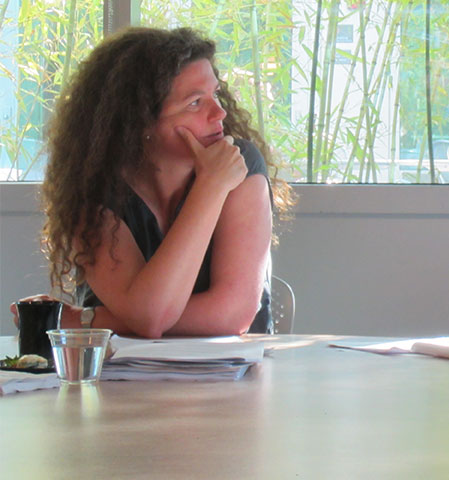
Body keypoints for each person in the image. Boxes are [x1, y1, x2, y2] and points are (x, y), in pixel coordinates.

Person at [9, 26, 293, 338]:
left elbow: (231, 316)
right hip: (120, 375)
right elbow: (151, 318)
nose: (220, 112)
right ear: (140, 120)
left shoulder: (238, 165)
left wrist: (84, 319)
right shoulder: (93, 186)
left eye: (215, 94)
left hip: (231, 373)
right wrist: (210, 187)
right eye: (196, 103)